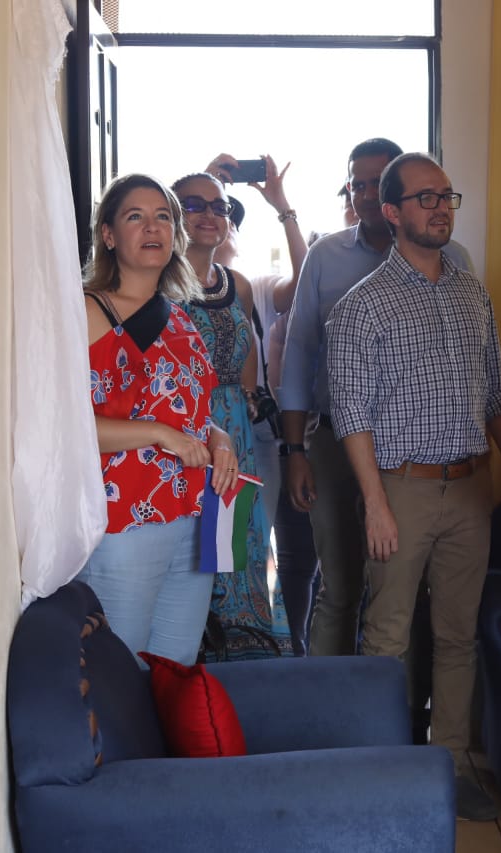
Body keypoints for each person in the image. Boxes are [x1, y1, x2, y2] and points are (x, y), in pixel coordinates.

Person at [325, 152, 501, 821]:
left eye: (447, 196)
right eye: (426, 197)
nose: (441, 208)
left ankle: (452, 765)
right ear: (392, 212)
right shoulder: (362, 306)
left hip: (469, 488)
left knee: (458, 636)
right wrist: (375, 503)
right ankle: (381, 773)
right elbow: (350, 415)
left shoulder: (472, 293)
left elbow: (497, 393)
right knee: (388, 637)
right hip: (399, 489)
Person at [277, 138, 475, 657]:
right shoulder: (325, 256)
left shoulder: (453, 259)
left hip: (416, 456)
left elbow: (470, 362)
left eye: (374, 183)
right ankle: (335, 703)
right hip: (337, 443)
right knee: (340, 586)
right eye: (355, 184)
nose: (364, 194)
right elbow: (299, 357)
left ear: (393, 193)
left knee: (407, 598)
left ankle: (406, 704)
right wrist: (294, 451)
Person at [78, 173, 239, 665]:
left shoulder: (179, 316)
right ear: (108, 235)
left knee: (175, 670)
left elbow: (193, 412)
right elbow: (67, 429)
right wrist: (160, 434)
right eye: (136, 217)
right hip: (123, 521)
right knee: (119, 674)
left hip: (192, 515)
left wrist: (221, 440)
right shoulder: (87, 311)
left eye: (163, 217)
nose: (153, 228)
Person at [171, 168, 291, 659]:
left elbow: (245, 359)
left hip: (235, 436)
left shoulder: (235, 284)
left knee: (235, 553)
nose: (209, 215)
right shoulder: (157, 284)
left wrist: (243, 405)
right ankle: (192, 673)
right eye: (193, 205)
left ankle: (242, 672)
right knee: (192, 561)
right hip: (185, 435)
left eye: (218, 206)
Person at [204, 153, 307, 535]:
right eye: (210, 210)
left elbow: (304, 279)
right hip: (195, 425)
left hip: (251, 426)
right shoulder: (171, 286)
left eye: (229, 215)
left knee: (248, 538)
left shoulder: (254, 288)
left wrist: (283, 207)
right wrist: (205, 182)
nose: (224, 221)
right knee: (204, 542)